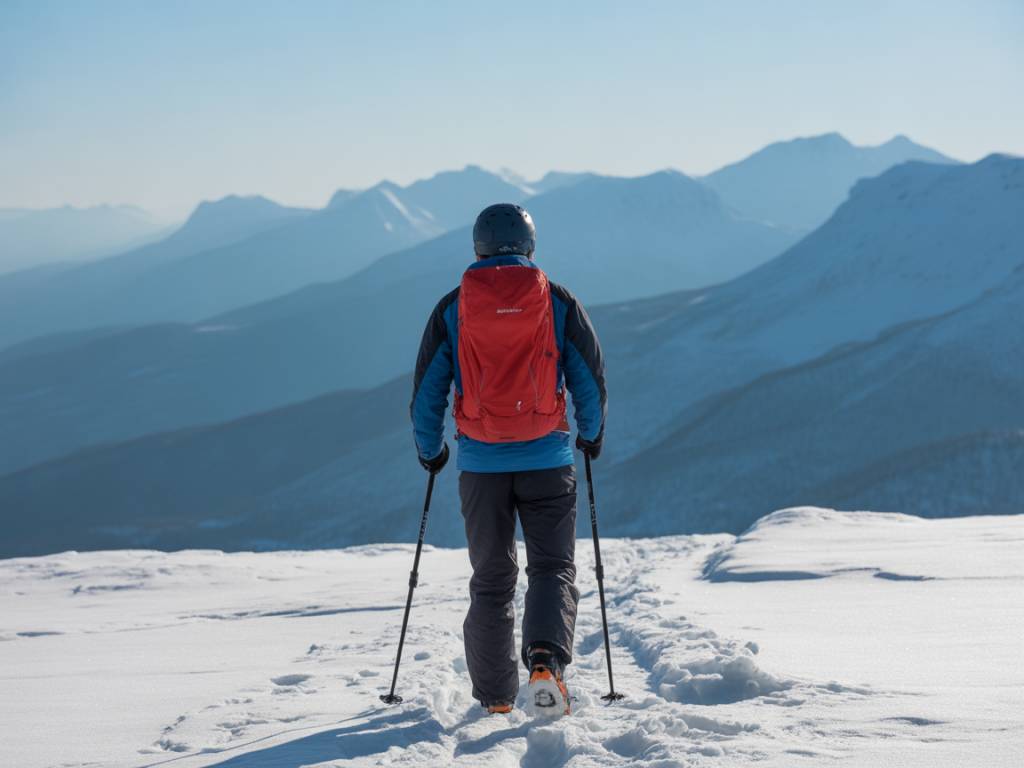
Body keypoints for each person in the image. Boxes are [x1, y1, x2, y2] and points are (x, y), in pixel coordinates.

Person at [410, 203, 606, 716]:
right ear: (530, 245)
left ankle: (496, 698)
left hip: (480, 465)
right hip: (548, 458)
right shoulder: (557, 301)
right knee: (552, 567)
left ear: (478, 247)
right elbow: (588, 376)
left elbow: (428, 391)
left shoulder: (454, 307)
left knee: (492, 579)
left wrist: (431, 451)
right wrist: (591, 434)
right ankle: (545, 664)